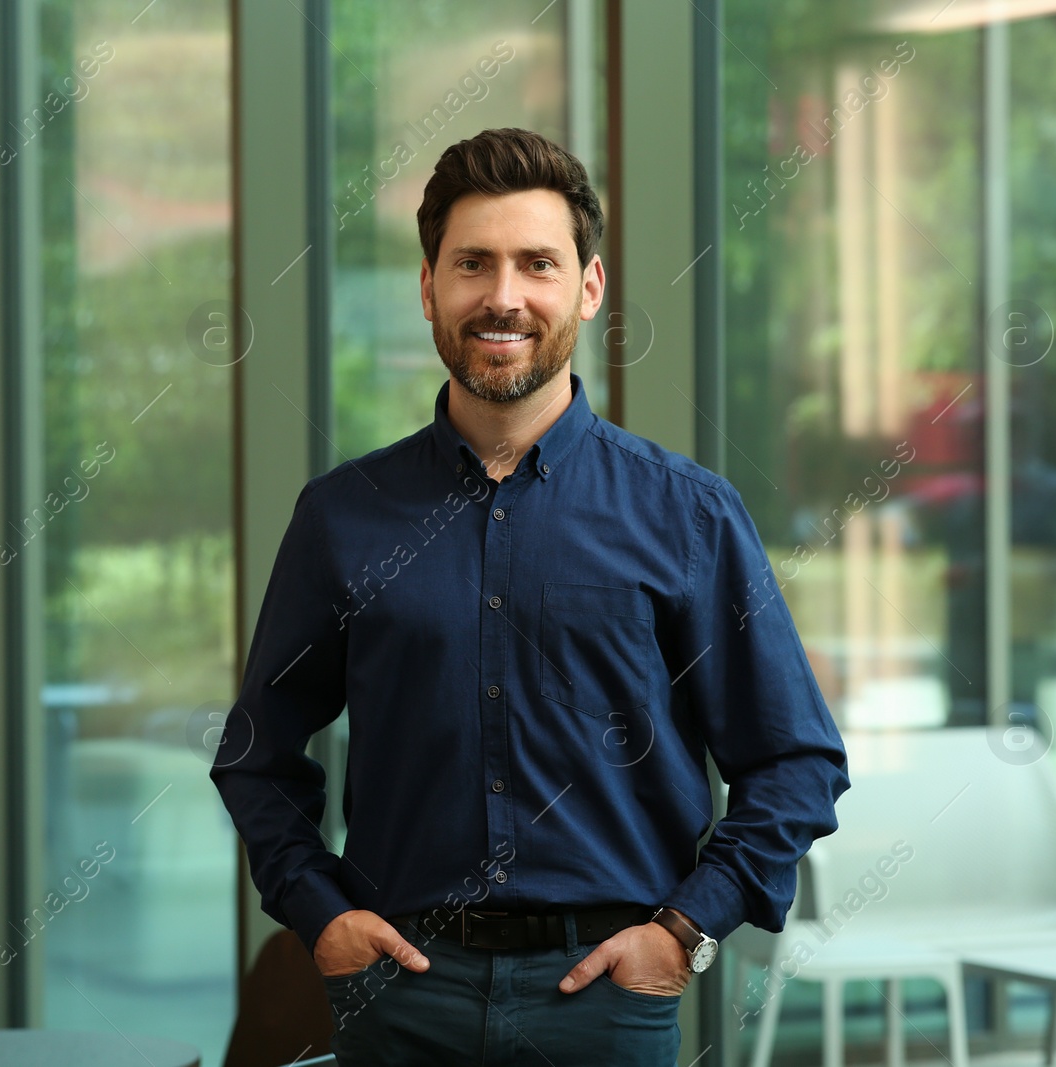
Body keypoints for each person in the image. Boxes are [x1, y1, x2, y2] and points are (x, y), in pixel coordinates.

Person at [209, 126, 849, 1066]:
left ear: (588, 288)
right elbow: (257, 755)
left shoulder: (687, 513)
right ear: (429, 287)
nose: (503, 296)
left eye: (536, 264)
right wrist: (322, 916)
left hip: (605, 1002)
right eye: (473, 264)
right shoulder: (343, 516)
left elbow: (795, 759)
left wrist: (686, 932)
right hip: (401, 1000)